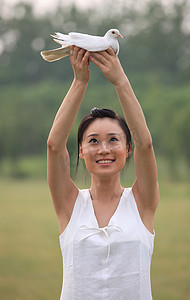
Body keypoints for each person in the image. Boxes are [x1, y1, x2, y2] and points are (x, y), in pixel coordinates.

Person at [47, 45, 159, 300]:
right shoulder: (69, 205)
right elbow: (54, 146)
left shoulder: (142, 202)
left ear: (127, 149)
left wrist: (120, 81)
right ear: (81, 151)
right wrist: (79, 82)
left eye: (113, 140)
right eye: (94, 141)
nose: (104, 149)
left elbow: (145, 143)